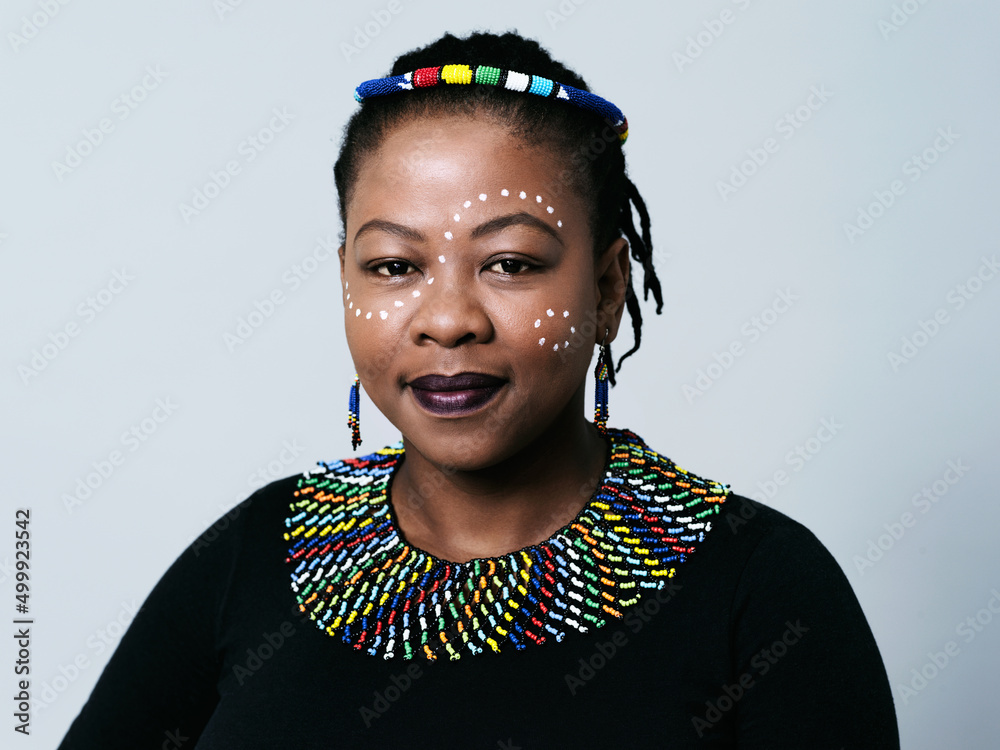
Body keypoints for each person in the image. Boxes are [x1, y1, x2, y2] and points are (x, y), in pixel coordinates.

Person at [59, 31, 899, 749]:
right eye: (394, 266)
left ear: (607, 289)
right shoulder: (255, 554)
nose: (449, 319)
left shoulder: (762, 591)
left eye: (511, 263)